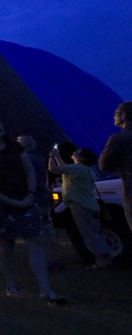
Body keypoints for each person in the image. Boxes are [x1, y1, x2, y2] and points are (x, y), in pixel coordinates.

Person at [0, 114, 65, 305]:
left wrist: (30, 194)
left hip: (24, 198)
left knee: (35, 239)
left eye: (1, 130)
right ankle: (10, 285)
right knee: (6, 241)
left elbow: (28, 170)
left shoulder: (15, 147)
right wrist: (5, 199)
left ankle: (45, 289)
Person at [49, 146, 112, 268]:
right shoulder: (85, 169)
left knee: (89, 234)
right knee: (96, 232)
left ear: (81, 158)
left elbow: (54, 169)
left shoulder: (77, 168)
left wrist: (51, 156)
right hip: (90, 204)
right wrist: (57, 155)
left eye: (77, 152)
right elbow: (63, 168)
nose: (74, 152)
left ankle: (102, 262)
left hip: (80, 205)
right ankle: (106, 258)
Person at [17, 134, 64, 270]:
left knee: (37, 232)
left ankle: (45, 261)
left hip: (32, 200)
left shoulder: (24, 159)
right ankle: (56, 259)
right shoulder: (39, 158)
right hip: (43, 199)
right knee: (49, 230)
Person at [99, 101, 132, 233]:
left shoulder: (119, 138)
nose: (114, 117)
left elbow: (104, 164)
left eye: (116, 114)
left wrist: (122, 170)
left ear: (123, 116)